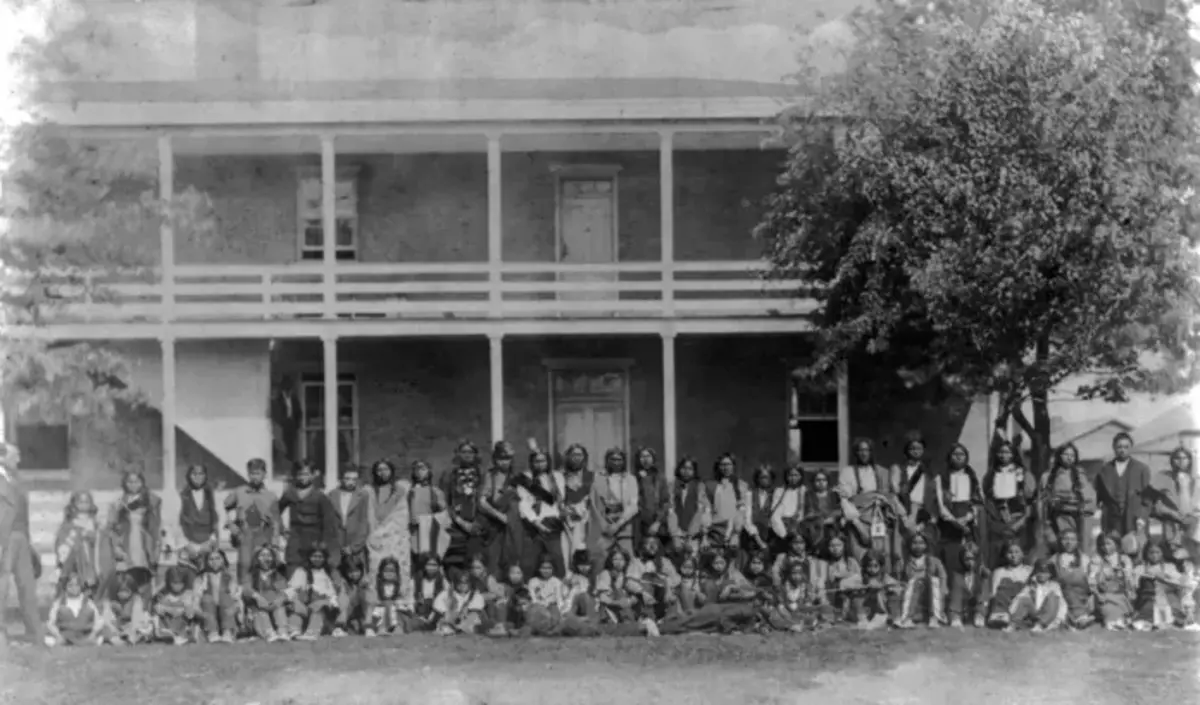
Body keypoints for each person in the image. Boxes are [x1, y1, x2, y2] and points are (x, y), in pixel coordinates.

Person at [837, 439, 906, 575]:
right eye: (860, 450)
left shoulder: (882, 472)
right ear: (855, 453)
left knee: (881, 554)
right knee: (858, 555)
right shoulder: (847, 472)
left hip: (878, 518)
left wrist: (883, 500)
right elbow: (844, 499)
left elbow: (890, 495)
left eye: (866, 450)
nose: (863, 453)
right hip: (857, 518)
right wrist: (856, 521)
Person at [0, 444, 44, 648]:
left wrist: (29, 541)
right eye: (15, 456)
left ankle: (34, 633)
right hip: (3, 538)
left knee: (27, 584)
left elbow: (23, 514)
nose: (18, 460)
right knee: (2, 586)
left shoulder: (16, 480)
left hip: (21, 537)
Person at [103, 470, 162, 601]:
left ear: (142, 482)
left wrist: (157, 547)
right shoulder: (118, 503)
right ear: (124, 483)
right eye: (130, 482)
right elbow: (111, 528)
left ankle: (145, 609)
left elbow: (156, 526)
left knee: (145, 578)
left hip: (145, 544)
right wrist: (116, 547)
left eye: (136, 481)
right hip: (126, 544)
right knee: (126, 578)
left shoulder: (151, 500)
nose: (133, 485)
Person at [279, 462, 341, 577]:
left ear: (313, 475)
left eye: (306, 474)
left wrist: (324, 543)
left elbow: (328, 523)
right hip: (295, 540)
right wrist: (282, 529)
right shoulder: (290, 494)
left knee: (313, 573)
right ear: (296, 476)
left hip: (314, 540)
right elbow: (276, 512)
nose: (303, 478)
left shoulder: (320, 497)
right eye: (300, 474)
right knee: (292, 571)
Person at [224, 458, 281, 582]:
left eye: (258, 473)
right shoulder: (239, 492)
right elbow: (226, 507)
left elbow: (276, 522)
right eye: (252, 473)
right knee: (244, 569)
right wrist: (230, 525)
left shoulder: (271, 496)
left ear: (265, 474)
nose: (254, 477)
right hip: (245, 537)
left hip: (263, 538)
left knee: (263, 571)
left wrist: (275, 545)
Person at [980, 440, 1035, 569]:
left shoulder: (1023, 474)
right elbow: (988, 500)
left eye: (1007, 452)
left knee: (1018, 553)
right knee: (998, 556)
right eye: (1000, 452)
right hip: (998, 523)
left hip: (1018, 521)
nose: (1003, 455)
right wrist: (998, 523)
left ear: (1013, 454)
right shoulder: (991, 475)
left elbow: (1030, 501)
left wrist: (1020, 522)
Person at [512, 448, 565, 577]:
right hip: (533, 524)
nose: (540, 464)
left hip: (552, 523)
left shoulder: (557, 476)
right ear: (532, 462)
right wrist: (536, 523)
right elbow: (524, 504)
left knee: (557, 559)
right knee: (530, 563)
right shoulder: (525, 478)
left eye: (543, 460)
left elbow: (560, 500)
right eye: (536, 461)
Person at [1094, 432, 1153, 548]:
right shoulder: (1105, 469)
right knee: (1112, 548)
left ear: (1131, 448)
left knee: (1134, 548)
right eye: (1119, 447)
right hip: (1112, 519)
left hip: (1134, 518)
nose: (1122, 450)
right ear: (1114, 448)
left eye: (1126, 447)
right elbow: (1099, 495)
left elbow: (1148, 499)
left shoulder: (1142, 469)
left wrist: (1142, 517)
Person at [1040, 443, 1098, 554]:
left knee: (1078, 548)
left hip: (1078, 518)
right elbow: (1043, 500)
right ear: (1059, 456)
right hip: (1057, 517)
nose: (1069, 457)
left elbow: (1090, 498)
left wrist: (1081, 508)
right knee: (1061, 547)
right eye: (1065, 454)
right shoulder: (1047, 476)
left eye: (1072, 455)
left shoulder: (1080, 475)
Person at [935, 443, 983, 574]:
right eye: (955, 454)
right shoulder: (941, 477)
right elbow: (940, 504)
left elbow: (977, 502)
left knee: (968, 554)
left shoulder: (972, 477)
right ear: (949, 457)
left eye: (961, 454)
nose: (958, 457)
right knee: (949, 555)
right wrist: (954, 522)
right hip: (948, 523)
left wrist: (968, 517)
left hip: (967, 521)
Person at [365, 459, 411, 591]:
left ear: (391, 471)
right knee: (376, 568)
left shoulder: (401, 489)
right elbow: (377, 514)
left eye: (386, 469)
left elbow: (402, 514)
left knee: (398, 568)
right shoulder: (369, 491)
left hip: (396, 539)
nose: (382, 473)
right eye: (379, 470)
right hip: (377, 538)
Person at [1149, 446, 1200, 562]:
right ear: (1172, 460)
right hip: (1172, 522)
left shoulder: (1196, 480)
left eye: (1185, 458)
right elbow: (1154, 503)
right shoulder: (1163, 478)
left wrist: (1193, 515)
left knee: (1192, 553)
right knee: (1173, 553)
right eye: (1177, 458)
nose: (1181, 461)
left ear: (1190, 460)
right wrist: (1170, 512)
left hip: (1192, 522)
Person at [592, 448, 640, 564]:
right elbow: (594, 503)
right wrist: (605, 525)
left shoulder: (630, 479)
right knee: (600, 558)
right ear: (607, 460)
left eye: (619, 459)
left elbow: (633, 506)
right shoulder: (598, 477)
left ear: (624, 461)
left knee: (626, 558)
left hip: (624, 524)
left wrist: (618, 525)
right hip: (604, 526)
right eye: (612, 459)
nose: (616, 462)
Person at [176, 463, 222, 585]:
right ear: (189, 475)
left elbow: (215, 520)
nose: (198, 477)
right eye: (194, 474)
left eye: (201, 474)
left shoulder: (210, 493)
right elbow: (177, 524)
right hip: (188, 545)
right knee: (188, 582)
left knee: (208, 583)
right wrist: (187, 545)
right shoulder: (182, 495)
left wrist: (211, 542)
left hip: (207, 545)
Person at [327, 464, 375, 577]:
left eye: (354, 479)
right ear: (341, 479)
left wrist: (354, 547)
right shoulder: (332, 495)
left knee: (355, 576)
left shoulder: (363, 495)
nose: (351, 482)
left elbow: (364, 522)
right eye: (347, 478)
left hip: (354, 544)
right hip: (337, 543)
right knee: (336, 575)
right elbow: (329, 522)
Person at [285, 545, 339, 640]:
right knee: (295, 609)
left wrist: (322, 602)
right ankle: (294, 632)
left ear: (324, 558)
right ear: (309, 557)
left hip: (322, 608)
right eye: (314, 556)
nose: (317, 559)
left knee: (319, 609)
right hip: (304, 605)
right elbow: (292, 590)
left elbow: (333, 597)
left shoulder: (328, 573)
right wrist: (295, 601)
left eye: (320, 557)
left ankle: (312, 633)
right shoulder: (301, 571)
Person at [54, 490, 102, 594]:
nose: (84, 505)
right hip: (75, 558)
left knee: (91, 583)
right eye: (80, 502)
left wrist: (92, 536)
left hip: (91, 557)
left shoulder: (94, 522)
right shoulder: (69, 523)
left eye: (86, 502)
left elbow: (99, 539)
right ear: (74, 504)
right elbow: (62, 539)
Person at [553, 443, 594, 564]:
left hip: (586, 523)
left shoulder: (591, 477)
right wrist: (562, 511)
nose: (576, 457)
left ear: (585, 457)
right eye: (573, 454)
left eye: (580, 454)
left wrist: (581, 510)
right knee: (566, 555)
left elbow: (595, 500)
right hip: (566, 523)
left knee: (583, 554)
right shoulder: (560, 477)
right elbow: (556, 500)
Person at [241, 544, 291, 642]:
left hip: (274, 603)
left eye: (268, 555)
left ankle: (283, 632)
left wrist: (278, 601)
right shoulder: (251, 574)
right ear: (257, 558)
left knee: (280, 609)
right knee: (260, 612)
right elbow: (246, 589)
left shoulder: (277, 575)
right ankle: (269, 633)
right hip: (258, 605)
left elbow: (283, 590)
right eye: (262, 555)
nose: (266, 558)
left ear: (273, 558)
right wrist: (257, 597)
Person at [1088, 531, 1136, 630]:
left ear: (1117, 544)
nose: (1105, 547)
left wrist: (1124, 574)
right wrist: (1097, 594)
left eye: (1108, 543)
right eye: (1102, 544)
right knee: (1111, 617)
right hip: (1103, 597)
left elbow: (1129, 579)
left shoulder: (1124, 559)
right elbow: (1091, 580)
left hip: (1121, 597)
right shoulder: (1096, 560)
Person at [1005, 558, 1067, 632]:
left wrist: (1059, 619)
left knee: (1053, 596)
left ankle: (1040, 625)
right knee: (1024, 598)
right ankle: (1013, 624)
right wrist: (1011, 612)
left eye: (1045, 572)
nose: (1041, 575)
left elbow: (1062, 604)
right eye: (1039, 572)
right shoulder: (1031, 585)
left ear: (1050, 574)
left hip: (1049, 615)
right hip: (1035, 613)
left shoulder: (1054, 586)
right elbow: (1019, 599)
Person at [667, 456, 710, 559]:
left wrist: (701, 536)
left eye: (690, 469)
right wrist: (675, 536)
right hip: (677, 535)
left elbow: (702, 512)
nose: (686, 471)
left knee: (692, 563)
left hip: (694, 535)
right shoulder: (672, 486)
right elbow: (670, 511)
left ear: (694, 471)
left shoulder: (699, 487)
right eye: (684, 468)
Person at [193, 549, 240, 644]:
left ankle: (227, 633)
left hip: (226, 608)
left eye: (218, 558)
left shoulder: (230, 576)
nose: (214, 561)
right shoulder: (201, 578)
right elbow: (196, 596)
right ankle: (212, 633)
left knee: (226, 598)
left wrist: (235, 608)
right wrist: (197, 610)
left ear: (223, 560)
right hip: (208, 609)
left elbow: (235, 597)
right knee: (207, 598)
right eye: (211, 559)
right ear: (207, 562)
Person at [1050, 527, 1093, 629]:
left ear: (1077, 542)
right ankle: (1079, 618)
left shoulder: (1085, 559)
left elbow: (1091, 581)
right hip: (1063, 597)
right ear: (1060, 541)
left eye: (1072, 539)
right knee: (1068, 590)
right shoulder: (1053, 560)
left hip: (1083, 597)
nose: (1069, 542)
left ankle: (1079, 617)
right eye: (1065, 539)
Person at [45, 573, 104, 647]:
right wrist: (58, 636)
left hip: (85, 635)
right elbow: (51, 623)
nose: (74, 588)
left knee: (103, 634)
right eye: (70, 585)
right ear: (65, 587)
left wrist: (93, 634)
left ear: (80, 587)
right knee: (47, 637)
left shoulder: (88, 602)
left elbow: (98, 621)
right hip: (65, 635)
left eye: (77, 585)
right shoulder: (59, 603)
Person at [633, 446, 670, 548]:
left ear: (653, 458)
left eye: (648, 456)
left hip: (658, 525)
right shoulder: (634, 478)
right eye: (642, 456)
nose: (645, 459)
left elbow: (665, 502)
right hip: (640, 525)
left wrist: (657, 523)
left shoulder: (660, 477)